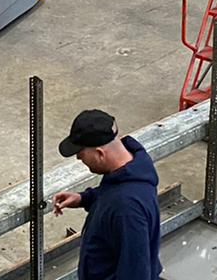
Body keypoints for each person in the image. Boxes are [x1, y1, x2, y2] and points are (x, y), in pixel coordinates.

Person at [51, 109, 162, 280]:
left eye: (81, 155)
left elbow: (136, 274)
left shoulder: (127, 209)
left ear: (100, 154)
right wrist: (83, 198)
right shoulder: (130, 170)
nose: (79, 159)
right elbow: (111, 193)